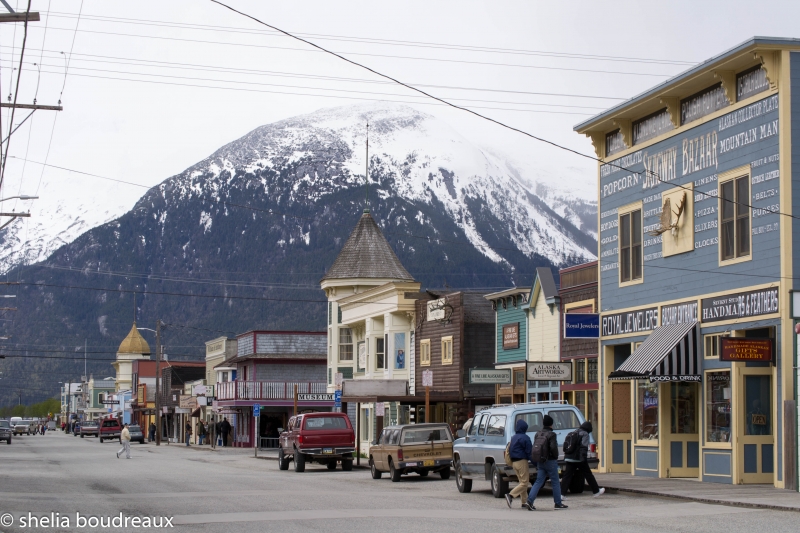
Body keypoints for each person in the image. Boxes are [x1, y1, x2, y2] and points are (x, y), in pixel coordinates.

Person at [524, 415, 567, 511]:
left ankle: (530, 501)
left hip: (540, 460)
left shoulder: (538, 434)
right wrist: (556, 457)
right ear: (551, 424)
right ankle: (558, 503)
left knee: (538, 481)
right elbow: (553, 448)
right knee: (555, 482)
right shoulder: (552, 434)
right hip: (550, 461)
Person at [561, 421, 605, 499]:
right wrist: (583, 459)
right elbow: (584, 447)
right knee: (588, 474)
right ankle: (596, 491)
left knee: (567, 476)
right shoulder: (585, 434)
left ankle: (562, 495)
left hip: (569, 457)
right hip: (578, 459)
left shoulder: (574, 432)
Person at [505, 418, 532, 509]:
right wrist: (535, 463)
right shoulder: (525, 438)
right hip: (522, 461)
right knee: (525, 482)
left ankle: (524, 501)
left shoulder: (513, 437)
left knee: (521, 482)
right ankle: (510, 495)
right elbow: (529, 452)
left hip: (514, 463)